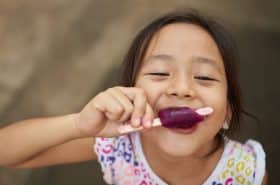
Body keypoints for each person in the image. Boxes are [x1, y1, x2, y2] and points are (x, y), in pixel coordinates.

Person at [0, 9, 267, 185]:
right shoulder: (117, 144)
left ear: (227, 113)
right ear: (130, 95)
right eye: (160, 73)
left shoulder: (248, 172)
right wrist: (78, 125)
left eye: (205, 77)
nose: (182, 89)